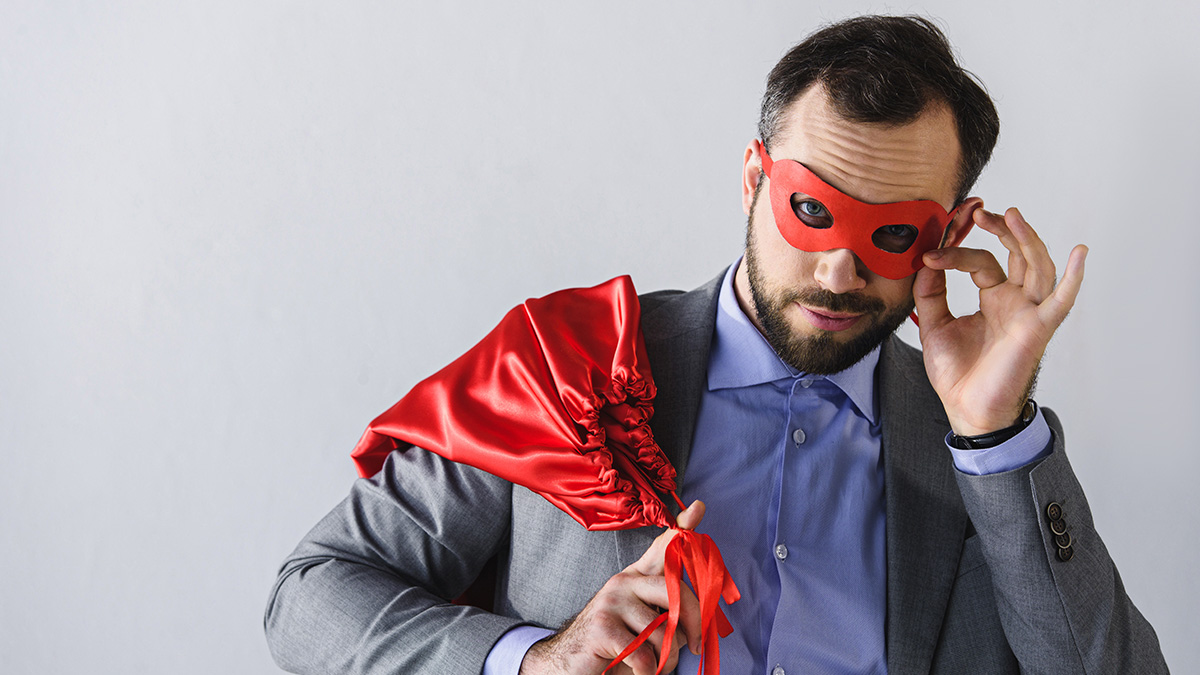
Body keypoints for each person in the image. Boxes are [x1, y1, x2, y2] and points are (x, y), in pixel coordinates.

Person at [264, 15, 1167, 675]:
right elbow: (311, 594)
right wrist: (536, 661)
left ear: (950, 229)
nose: (837, 271)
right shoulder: (564, 362)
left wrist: (995, 436)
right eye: (810, 211)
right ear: (752, 178)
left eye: (890, 234)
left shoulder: (975, 448)